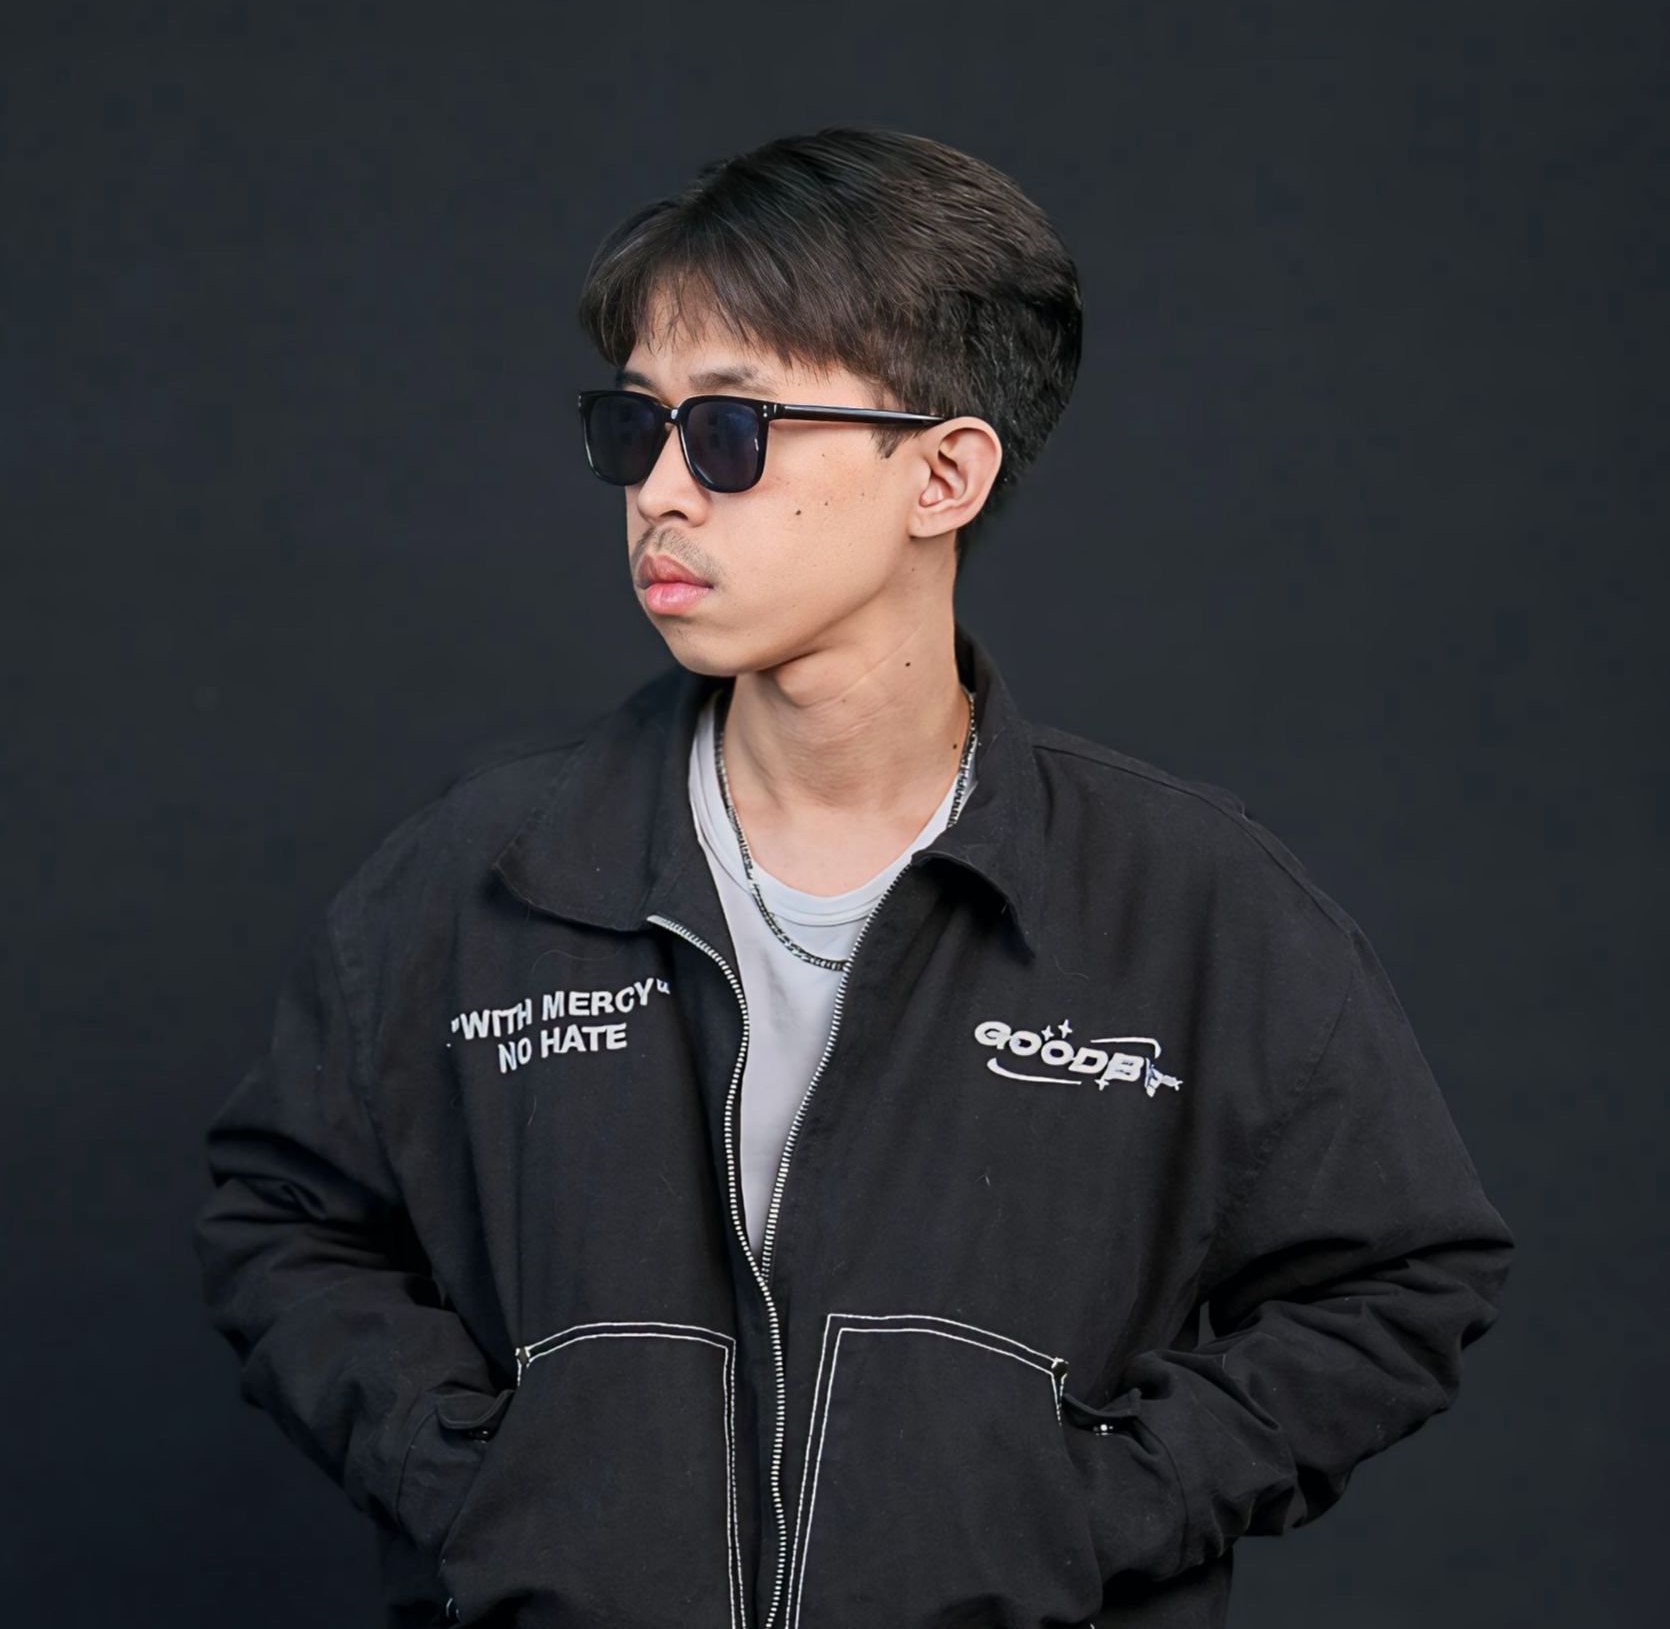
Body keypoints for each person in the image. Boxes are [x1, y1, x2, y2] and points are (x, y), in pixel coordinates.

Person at [193, 125, 1515, 1629]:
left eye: (730, 430)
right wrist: (487, 1487)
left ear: (942, 473)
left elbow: (1401, 1280)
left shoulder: (1188, 904)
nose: (660, 491)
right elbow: (283, 1221)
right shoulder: (481, 873)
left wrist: (1073, 1512)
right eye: (635, 426)